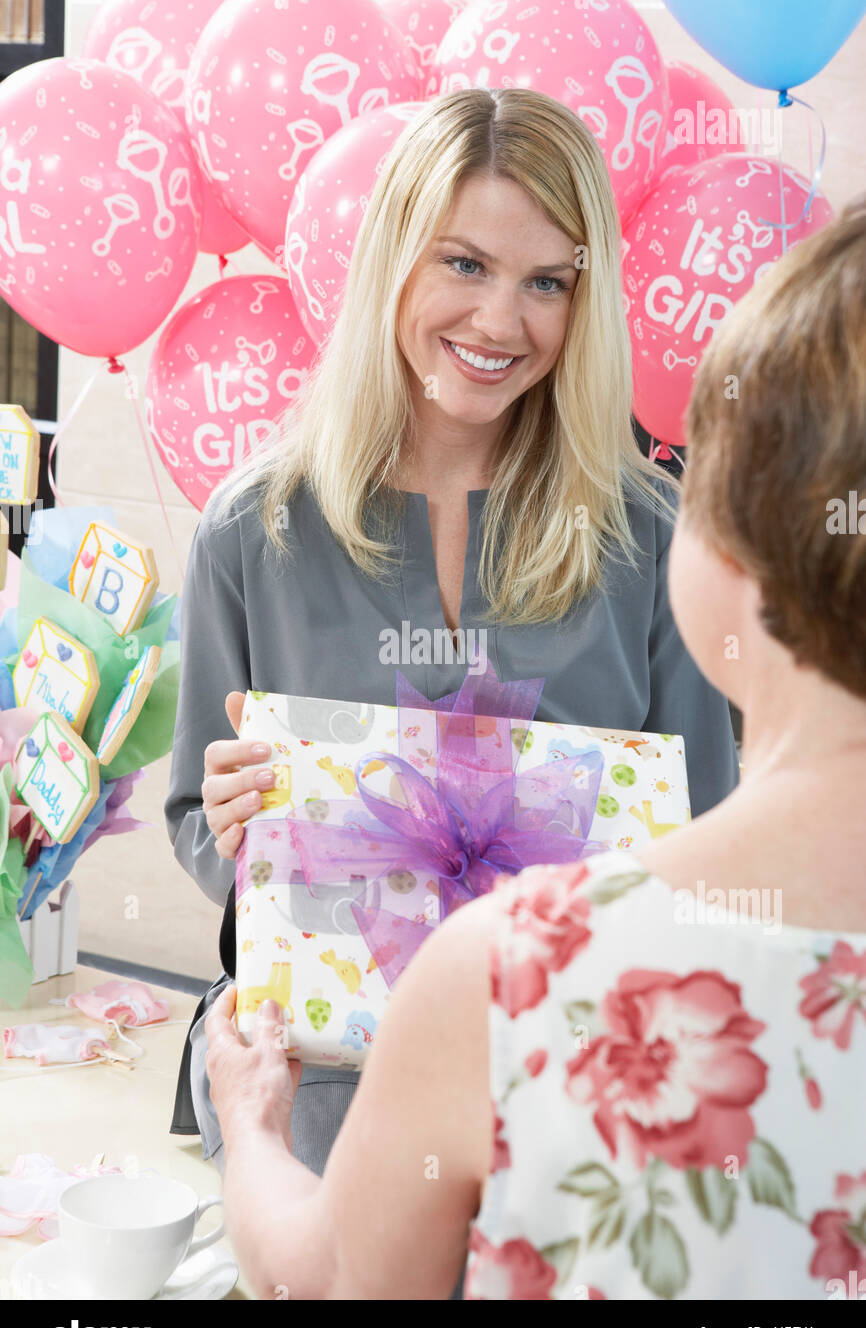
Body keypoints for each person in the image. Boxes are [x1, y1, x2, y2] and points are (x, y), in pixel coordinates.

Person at [203, 191, 866, 1300]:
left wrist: (249, 1120)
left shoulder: (507, 972)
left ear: (722, 550)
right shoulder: (251, 530)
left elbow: (328, 1284)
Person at [164, 88, 739, 1182]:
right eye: (462, 264)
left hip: (573, 1098)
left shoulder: (652, 538)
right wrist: (242, 828)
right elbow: (197, 816)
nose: (498, 322)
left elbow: (702, 841)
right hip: (324, 1090)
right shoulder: (251, 529)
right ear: (393, 258)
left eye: (545, 284)